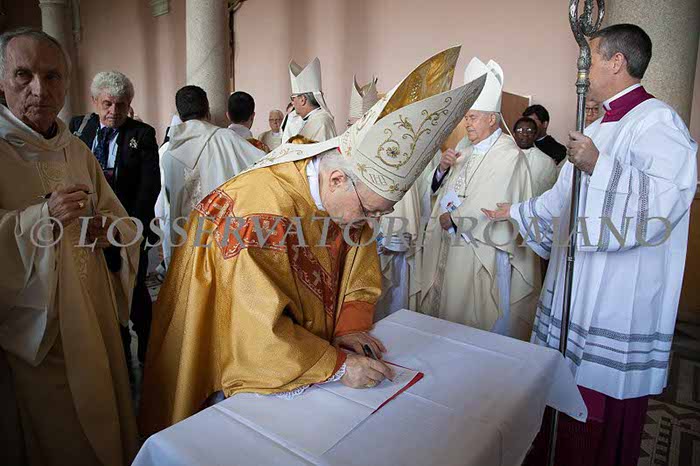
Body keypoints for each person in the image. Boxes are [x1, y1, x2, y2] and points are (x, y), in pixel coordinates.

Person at [139, 46, 486, 435]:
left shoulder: (345, 198)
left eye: (380, 213)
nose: (369, 223)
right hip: (237, 364)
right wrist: (337, 365)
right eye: (369, 210)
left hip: (305, 349)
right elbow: (252, 332)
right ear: (336, 179)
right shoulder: (257, 216)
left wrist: (349, 325)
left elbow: (358, 266)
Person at [484, 24, 698, 466]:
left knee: (596, 408)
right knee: (558, 396)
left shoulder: (658, 122)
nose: (581, 71)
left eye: (590, 59)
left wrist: (601, 164)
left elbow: (666, 203)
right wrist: (518, 212)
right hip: (574, 285)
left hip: (617, 295)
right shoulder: (598, 125)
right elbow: (563, 199)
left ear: (617, 62)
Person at [0, 28, 139, 466]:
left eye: (52, 76)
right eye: (23, 74)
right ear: (2, 81)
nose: (39, 89)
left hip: (91, 311)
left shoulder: (75, 150)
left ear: (66, 84)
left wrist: (107, 230)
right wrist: (42, 217)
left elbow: (121, 221)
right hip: (34, 331)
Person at [420, 57, 540, 341]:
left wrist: (454, 219)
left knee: (479, 321)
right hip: (452, 245)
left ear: (491, 119)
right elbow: (443, 192)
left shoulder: (509, 155)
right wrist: (442, 170)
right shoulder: (464, 149)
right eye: (466, 118)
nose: (467, 124)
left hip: (483, 248)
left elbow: (492, 199)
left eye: (472, 118)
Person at [69, 70, 160, 366]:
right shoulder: (78, 128)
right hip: (88, 229)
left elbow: (150, 186)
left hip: (128, 226)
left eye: (121, 104)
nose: (114, 111)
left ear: (129, 104)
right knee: (100, 291)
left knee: (134, 288)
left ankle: (147, 351)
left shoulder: (142, 134)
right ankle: (117, 354)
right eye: (107, 103)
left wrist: (130, 228)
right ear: (94, 101)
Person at [159, 85, 264, 268]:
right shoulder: (226, 138)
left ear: (180, 115)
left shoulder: (168, 153)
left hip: (185, 238)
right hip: (222, 238)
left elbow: (165, 205)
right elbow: (264, 167)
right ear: (207, 111)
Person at [281, 57, 337, 142]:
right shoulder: (315, 119)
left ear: (302, 100)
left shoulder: (318, 121)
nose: (292, 103)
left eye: (293, 98)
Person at [513, 116, 558, 196]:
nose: (525, 134)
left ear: (535, 135)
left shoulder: (546, 161)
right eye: (520, 130)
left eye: (529, 131)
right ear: (514, 134)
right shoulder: (505, 156)